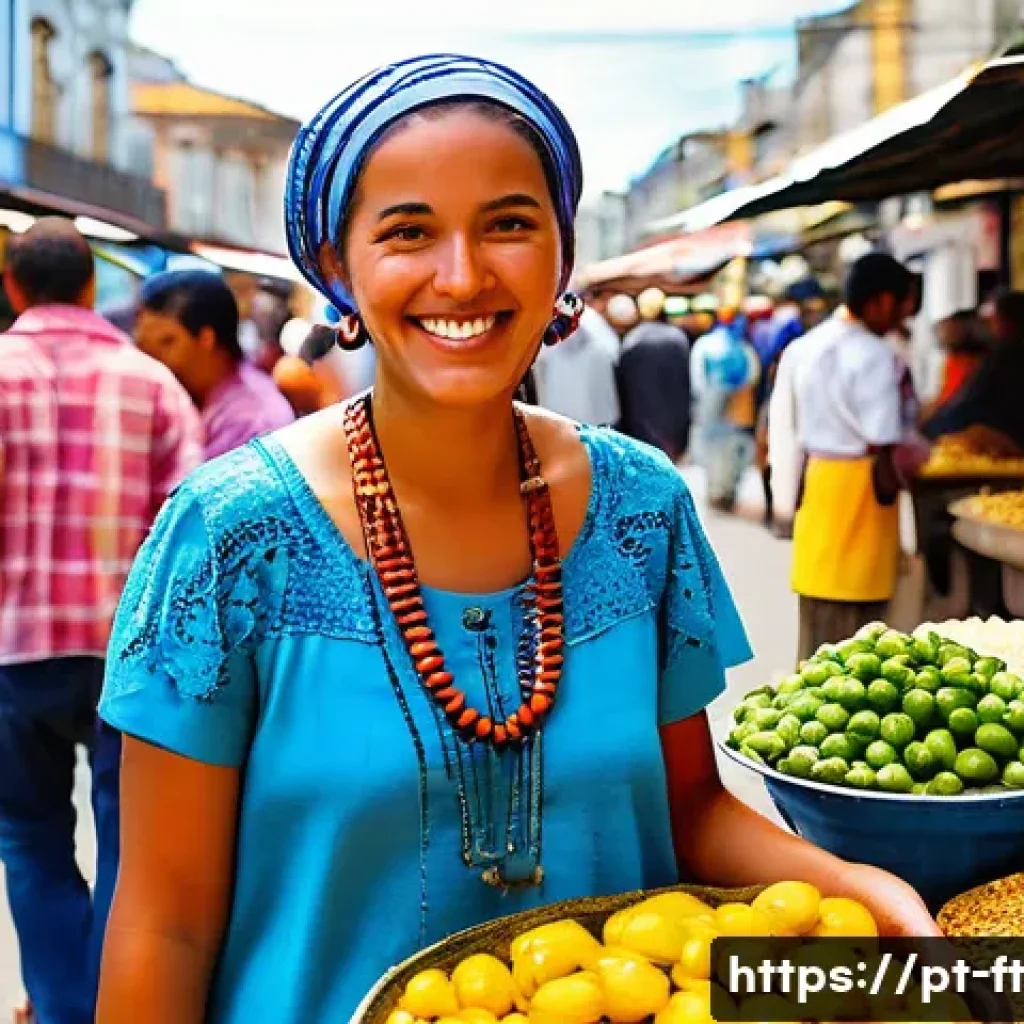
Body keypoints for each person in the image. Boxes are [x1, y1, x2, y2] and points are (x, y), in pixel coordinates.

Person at [95, 54, 938, 1024]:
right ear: (337, 266)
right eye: (408, 231)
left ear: (562, 256)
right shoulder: (228, 537)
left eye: (508, 223)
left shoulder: (641, 508)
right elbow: (165, 924)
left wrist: (851, 884)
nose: (463, 275)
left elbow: (689, 808)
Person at [0, 218, 201, 1024]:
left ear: (13, 286)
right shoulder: (154, 384)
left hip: (13, 651)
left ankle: (60, 1009)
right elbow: (190, 535)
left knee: (30, 835)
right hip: (130, 655)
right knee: (128, 845)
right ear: (93, 287)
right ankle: (121, 1003)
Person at [790, 252, 926, 662]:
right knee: (859, 634)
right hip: (860, 491)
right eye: (903, 306)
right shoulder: (876, 355)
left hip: (820, 483)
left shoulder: (809, 344)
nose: (903, 318)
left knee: (818, 618)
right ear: (881, 300)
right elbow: (883, 439)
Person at [134, 270, 296, 460]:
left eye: (166, 342)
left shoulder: (252, 421)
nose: (152, 359)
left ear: (206, 338)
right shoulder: (189, 399)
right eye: (144, 346)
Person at [923, 290, 1024, 452]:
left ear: (1007, 322)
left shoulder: (1003, 357)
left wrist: (930, 428)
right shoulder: (994, 357)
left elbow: (964, 409)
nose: (987, 325)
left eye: (992, 319)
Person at [690, 308, 760, 512]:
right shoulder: (743, 346)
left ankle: (715, 489)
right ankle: (729, 489)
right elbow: (753, 375)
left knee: (712, 447)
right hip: (737, 403)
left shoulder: (704, 344)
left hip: (710, 401)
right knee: (732, 448)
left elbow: (697, 377)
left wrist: (703, 399)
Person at [616, 287, 693, 461]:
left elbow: (624, 392)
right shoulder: (678, 339)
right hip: (674, 432)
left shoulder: (632, 340)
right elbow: (685, 387)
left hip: (640, 433)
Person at [533, 302, 620, 426]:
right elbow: (613, 351)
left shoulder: (552, 319)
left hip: (564, 413)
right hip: (591, 413)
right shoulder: (592, 320)